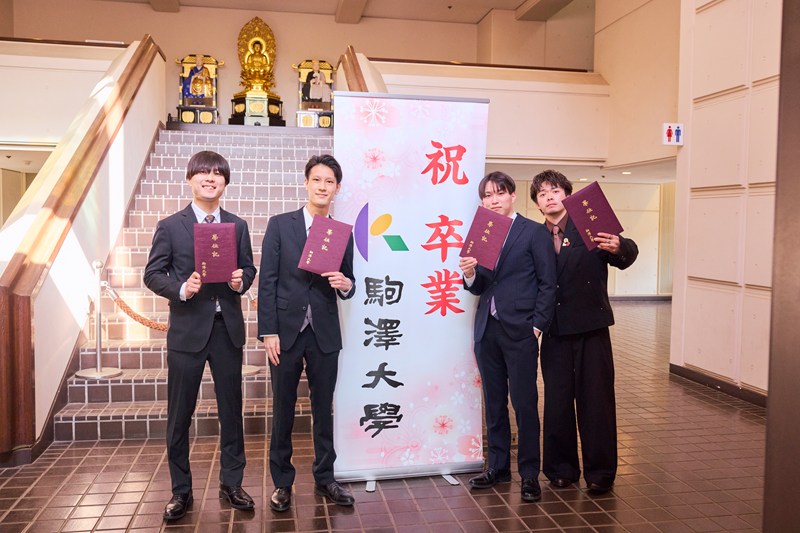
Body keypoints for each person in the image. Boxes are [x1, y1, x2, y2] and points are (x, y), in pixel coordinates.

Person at [143, 151, 257, 520]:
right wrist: (181, 288)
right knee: (180, 415)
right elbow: (152, 274)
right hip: (187, 331)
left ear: (225, 182)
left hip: (227, 331)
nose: (210, 178)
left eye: (217, 173)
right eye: (203, 172)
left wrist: (241, 281)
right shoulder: (170, 226)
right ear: (190, 178)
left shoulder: (237, 225)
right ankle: (181, 491)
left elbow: (249, 268)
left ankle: (232, 483)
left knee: (231, 412)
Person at [258, 154, 356, 512]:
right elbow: (267, 281)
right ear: (306, 183)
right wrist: (268, 331)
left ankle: (325, 477)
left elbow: (349, 281)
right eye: (317, 179)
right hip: (285, 333)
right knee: (283, 408)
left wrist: (346, 284)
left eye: (329, 181)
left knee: (323, 408)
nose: (322, 186)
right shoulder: (280, 225)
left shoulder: (341, 232)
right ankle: (282, 483)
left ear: (337, 188)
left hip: (324, 332)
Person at [531, 170, 639, 493]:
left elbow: (626, 254)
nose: (549, 197)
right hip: (554, 331)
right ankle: (561, 469)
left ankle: (600, 473)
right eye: (542, 194)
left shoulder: (590, 225)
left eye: (555, 191)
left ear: (568, 195)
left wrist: (620, 246)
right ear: (537, 205)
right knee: (557, 402)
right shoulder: (535, 237)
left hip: (592, 328)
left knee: (597, 401)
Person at [458, 171, 556, 502]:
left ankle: (529, 474)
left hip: (521, 330)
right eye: (487, 195)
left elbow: (548, 282)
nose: (493, 200)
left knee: (525, 404)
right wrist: (470, 274)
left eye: (499, 193)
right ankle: (498, 467)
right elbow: (481, 285)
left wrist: (537, 325)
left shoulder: (533, 232)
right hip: (487, 329)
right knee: (494, 402)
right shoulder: (483, 232)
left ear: (513, 195)